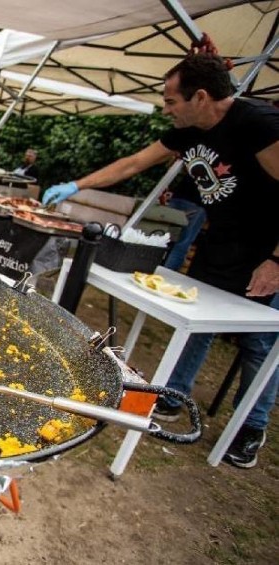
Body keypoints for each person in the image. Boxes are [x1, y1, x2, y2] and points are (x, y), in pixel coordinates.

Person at [42, 53, 279, 469]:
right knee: (195, 328)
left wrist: (276, 259)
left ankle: (251, 428)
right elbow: (133, 163)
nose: (165, 108)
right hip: (220, 243)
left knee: (260, 342)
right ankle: (173, 397)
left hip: (267, 250)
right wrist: (75, 185)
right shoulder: (188, 132)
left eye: (171, 101)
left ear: (200, 96)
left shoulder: (256, 123)